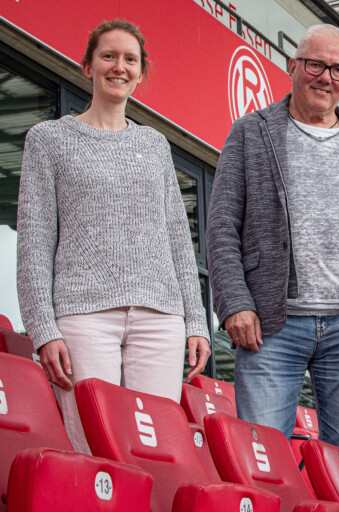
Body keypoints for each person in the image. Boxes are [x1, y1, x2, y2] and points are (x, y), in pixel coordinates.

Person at [206, 24, 339, 458]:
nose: (326, 78)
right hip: (271, 328)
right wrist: (234, 303)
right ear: (293, 65)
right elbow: (222, 225)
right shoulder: (251, 133)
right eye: (316, 64)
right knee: (262, 459)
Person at [16, 19, 211, 453]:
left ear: (141, 74)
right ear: (87, 66)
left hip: (160, 320)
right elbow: (33, 242)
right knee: (91, 446)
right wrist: (43, 329)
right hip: (84, 316)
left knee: (155, 451)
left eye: (130, 60)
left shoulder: (156, 145)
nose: (118, 67)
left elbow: (180, 240)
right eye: (108, 56)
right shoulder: (48, 139)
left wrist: (196, 322)